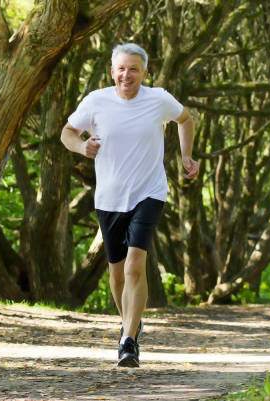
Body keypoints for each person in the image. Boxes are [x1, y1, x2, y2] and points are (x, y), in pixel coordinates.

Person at [60, 43, 199, 368]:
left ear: (144, 73)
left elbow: (186, 119)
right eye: (121, 68)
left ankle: (128, 342)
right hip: (109, 198)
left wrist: (187, 156)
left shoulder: (159, 99)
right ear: (112, 72)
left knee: (136, 265)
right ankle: (130, 323)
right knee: (117, 273)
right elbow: (67, 133)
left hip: (149, 193)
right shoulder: (96, 101)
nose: (127, 74)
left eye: (134, 69)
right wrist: (82, 148)